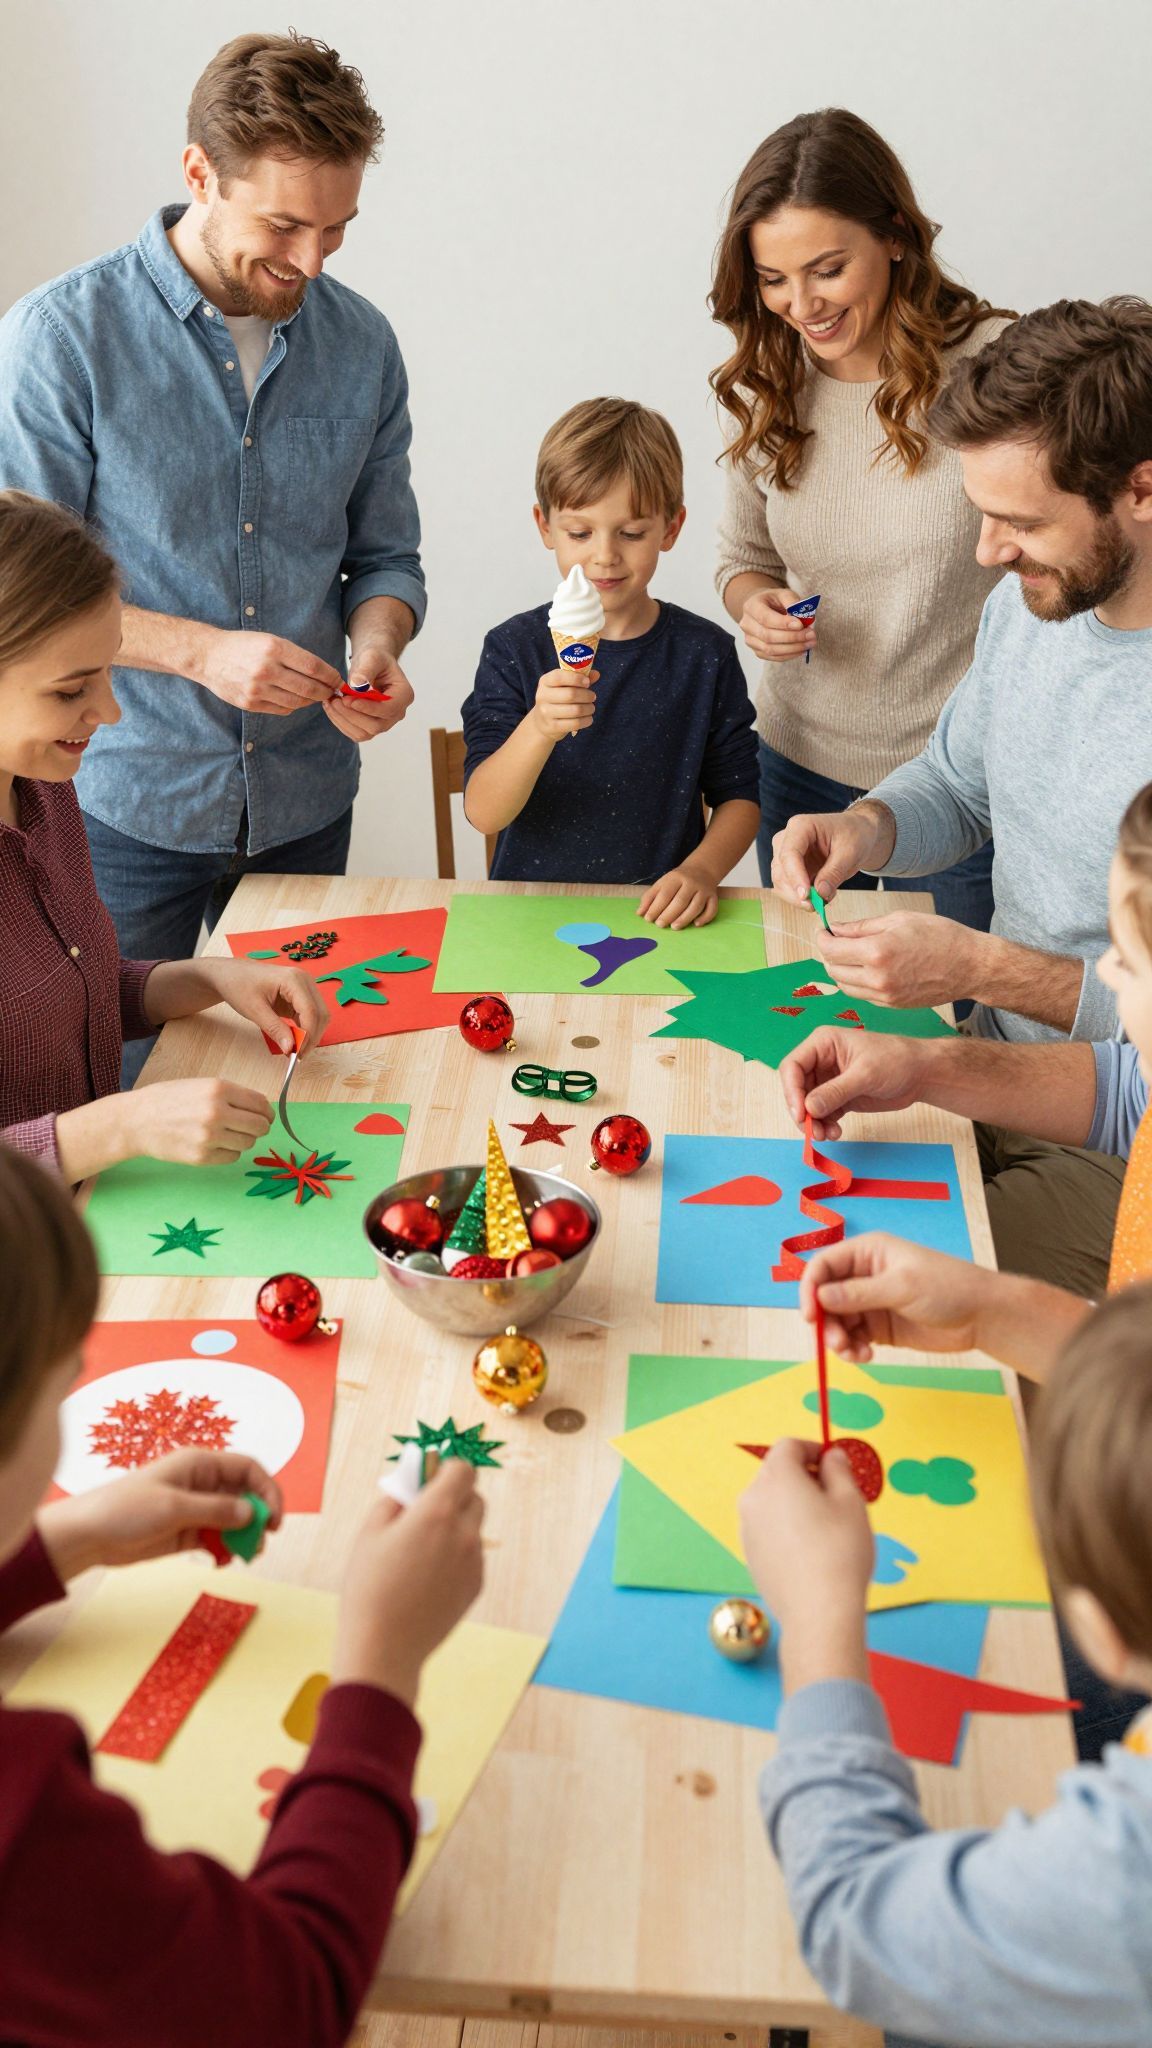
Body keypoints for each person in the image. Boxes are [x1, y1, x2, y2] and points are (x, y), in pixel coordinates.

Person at [0, 32, 425, 1081]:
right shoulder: (61, 339)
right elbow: (16, 596)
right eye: (284, 223)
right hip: (120, 795)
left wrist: (377, 642)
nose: (313, 260)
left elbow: (386, 554)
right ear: (200, 172)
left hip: (306, 798)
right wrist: (200, 653)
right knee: (106, 1084)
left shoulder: (363, 344)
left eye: (338, 227)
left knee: (298, 1084)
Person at [0, 1142, 485, 2046]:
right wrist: (379, 1674)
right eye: (61, 1385)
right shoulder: (22, 1831)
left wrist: (61, 1543)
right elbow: (285, 2002)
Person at [771, 297, 1152, 1285]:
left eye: (1020, 521)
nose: (988, 551)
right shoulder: (1030, 607)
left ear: (1142, 489)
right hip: (992, 1071)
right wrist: (867, 823)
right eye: (980, 512)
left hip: (1123, 1157)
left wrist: (983, 966)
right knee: (764, 1196)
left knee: (829, 1285)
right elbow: (959, 780)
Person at [741, 1281, 1152, 2048]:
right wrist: (995, 1311)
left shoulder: (1130, 1876)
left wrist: (820, 1618)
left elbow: (852, 1923)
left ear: (1096, 1626)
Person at [711, 107, 1013, 929]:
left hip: (961, 782)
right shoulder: (765, 381)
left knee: (958, 1032)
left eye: (826, 269)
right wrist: (753, 608)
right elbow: (741, 557)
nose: (800, 304)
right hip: (798, 765)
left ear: (895, 237)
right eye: (773, 279)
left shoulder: (995, 367)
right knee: (813, 1009)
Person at [0, 491, 328, 1182]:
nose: (110, 712)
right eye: (70, 690)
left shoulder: (47, 794)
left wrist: (206, 976)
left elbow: (60, 1007)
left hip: (93, 1221)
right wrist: (123, 1125)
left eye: (110, 671)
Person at [779, 785, 1152, 1306]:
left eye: (1130, 957)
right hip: (1022, 1071)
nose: (1105, 967)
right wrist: (921, 1067)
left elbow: (1107, 1366)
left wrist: (979, 969)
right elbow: (1129, 1094)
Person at [461, 398, 760, 927]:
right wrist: (539, 727)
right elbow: (484, 811)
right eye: (580, 533)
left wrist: (702, 871)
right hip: (529, 918)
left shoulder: (704, 653)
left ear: (670, 529)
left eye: (631, 532)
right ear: (545, 526)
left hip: (662, 917)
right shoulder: (513, 648)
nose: (604, 555)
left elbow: (739, 797)